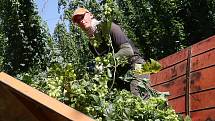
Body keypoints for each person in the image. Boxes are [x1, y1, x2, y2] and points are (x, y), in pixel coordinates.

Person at [71, 7, 150, 98]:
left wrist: (105, 63)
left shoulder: (109, 27)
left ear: (91, 15)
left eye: (82, 17)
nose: (80, 21)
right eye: (77, 21)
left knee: (137, 91)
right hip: (121, 75)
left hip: (137, 65)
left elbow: (128, 51)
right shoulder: (91, 44)